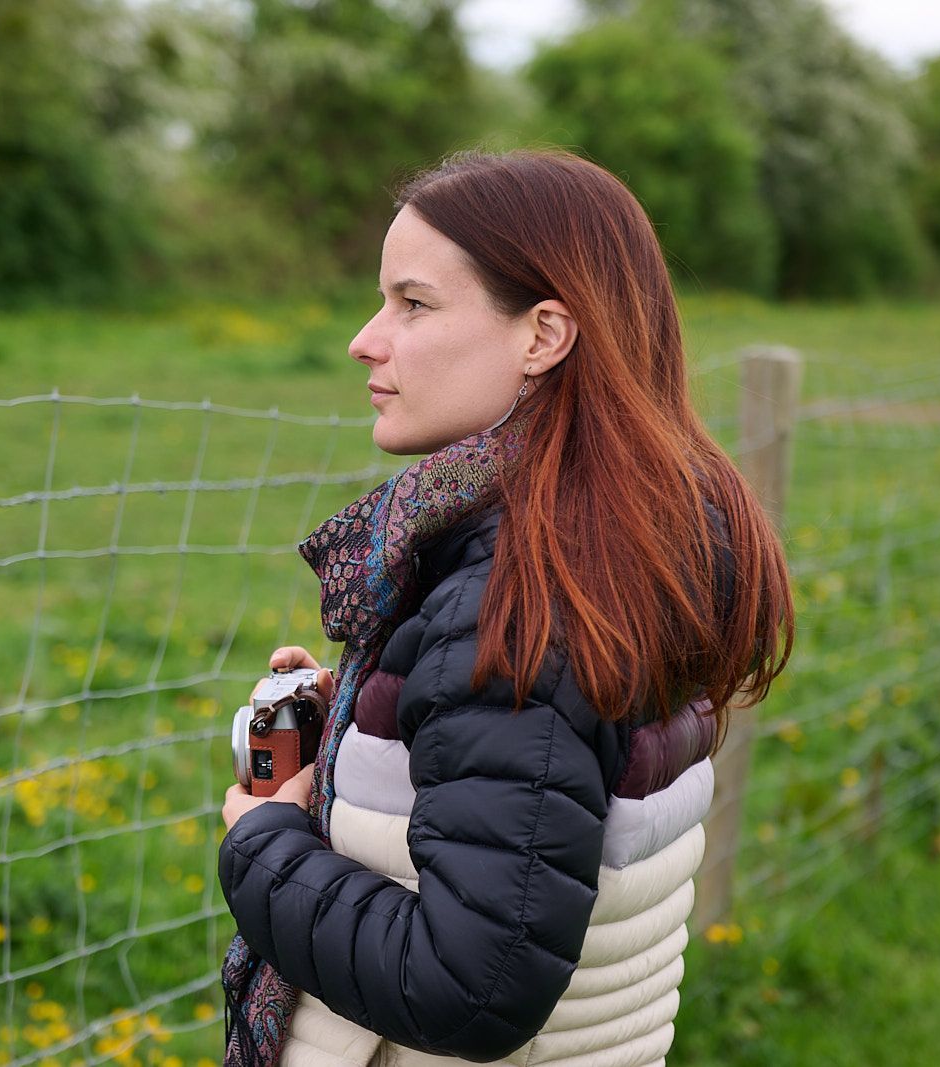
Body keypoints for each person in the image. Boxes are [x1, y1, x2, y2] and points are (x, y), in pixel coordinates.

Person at [217, 148, 794, 1067]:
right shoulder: (627, 534)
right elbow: (529, 787)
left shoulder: (525, 599)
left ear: (543, 334)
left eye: (414, 303)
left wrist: (262, 840)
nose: (369, 339)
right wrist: (380, 714)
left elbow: (468, 984)